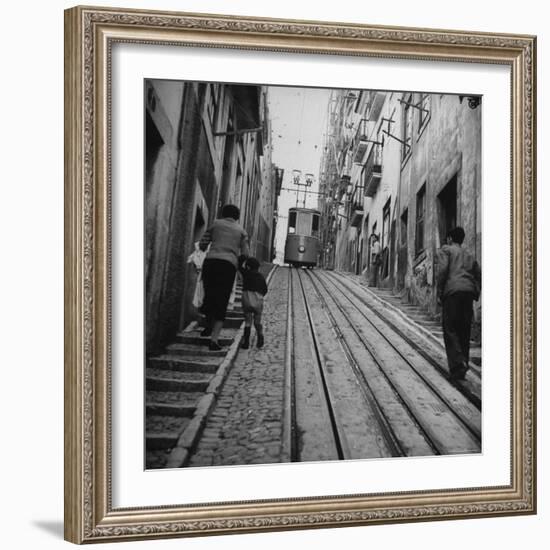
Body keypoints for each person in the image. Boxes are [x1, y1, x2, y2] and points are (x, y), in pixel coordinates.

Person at [199, 204, 249, 351]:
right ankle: (214, 340)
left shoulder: (215, 224)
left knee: (209, 294)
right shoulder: (241, 231)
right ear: (237, 217)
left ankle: (207, 325)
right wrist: (238, 263)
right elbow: (245, 253)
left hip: (211, 262)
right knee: (222, 299)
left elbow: (203, 244)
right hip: (228, 266)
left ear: (223, 213)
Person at [436, 226, 482, 381]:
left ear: (449, 239)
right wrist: (476, 292)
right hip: (468, 294)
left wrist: (439, 292)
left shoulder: (446, 250)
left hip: (452, 293)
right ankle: (462, 366)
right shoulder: (469, 255)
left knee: (450, 328)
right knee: (464, 330)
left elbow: (442, 271)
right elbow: (478, 274)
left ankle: (457, 363)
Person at [238, 256, 268, 349]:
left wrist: (244, 257)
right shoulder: (261, 277)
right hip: (258, 300)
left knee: (248, 321)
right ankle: (260, 335)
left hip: (246, 298)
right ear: (258, 267)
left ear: (248, 267)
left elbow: (239, 266)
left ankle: (246, 342)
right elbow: (265, 289)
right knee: (257, 321)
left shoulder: (246, 273)